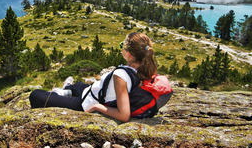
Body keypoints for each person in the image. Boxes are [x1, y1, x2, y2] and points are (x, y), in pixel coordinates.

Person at [29, 32, 157, 122]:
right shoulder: (147, 70)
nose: (120, 49)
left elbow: (124, 115)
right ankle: (67, 89)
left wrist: (97, 107)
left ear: (129, 55)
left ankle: (60, 93)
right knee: (77, 85)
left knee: (35, 95)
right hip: (91, 91)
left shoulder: (121, 76)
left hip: (85, 103)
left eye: (121, 46)